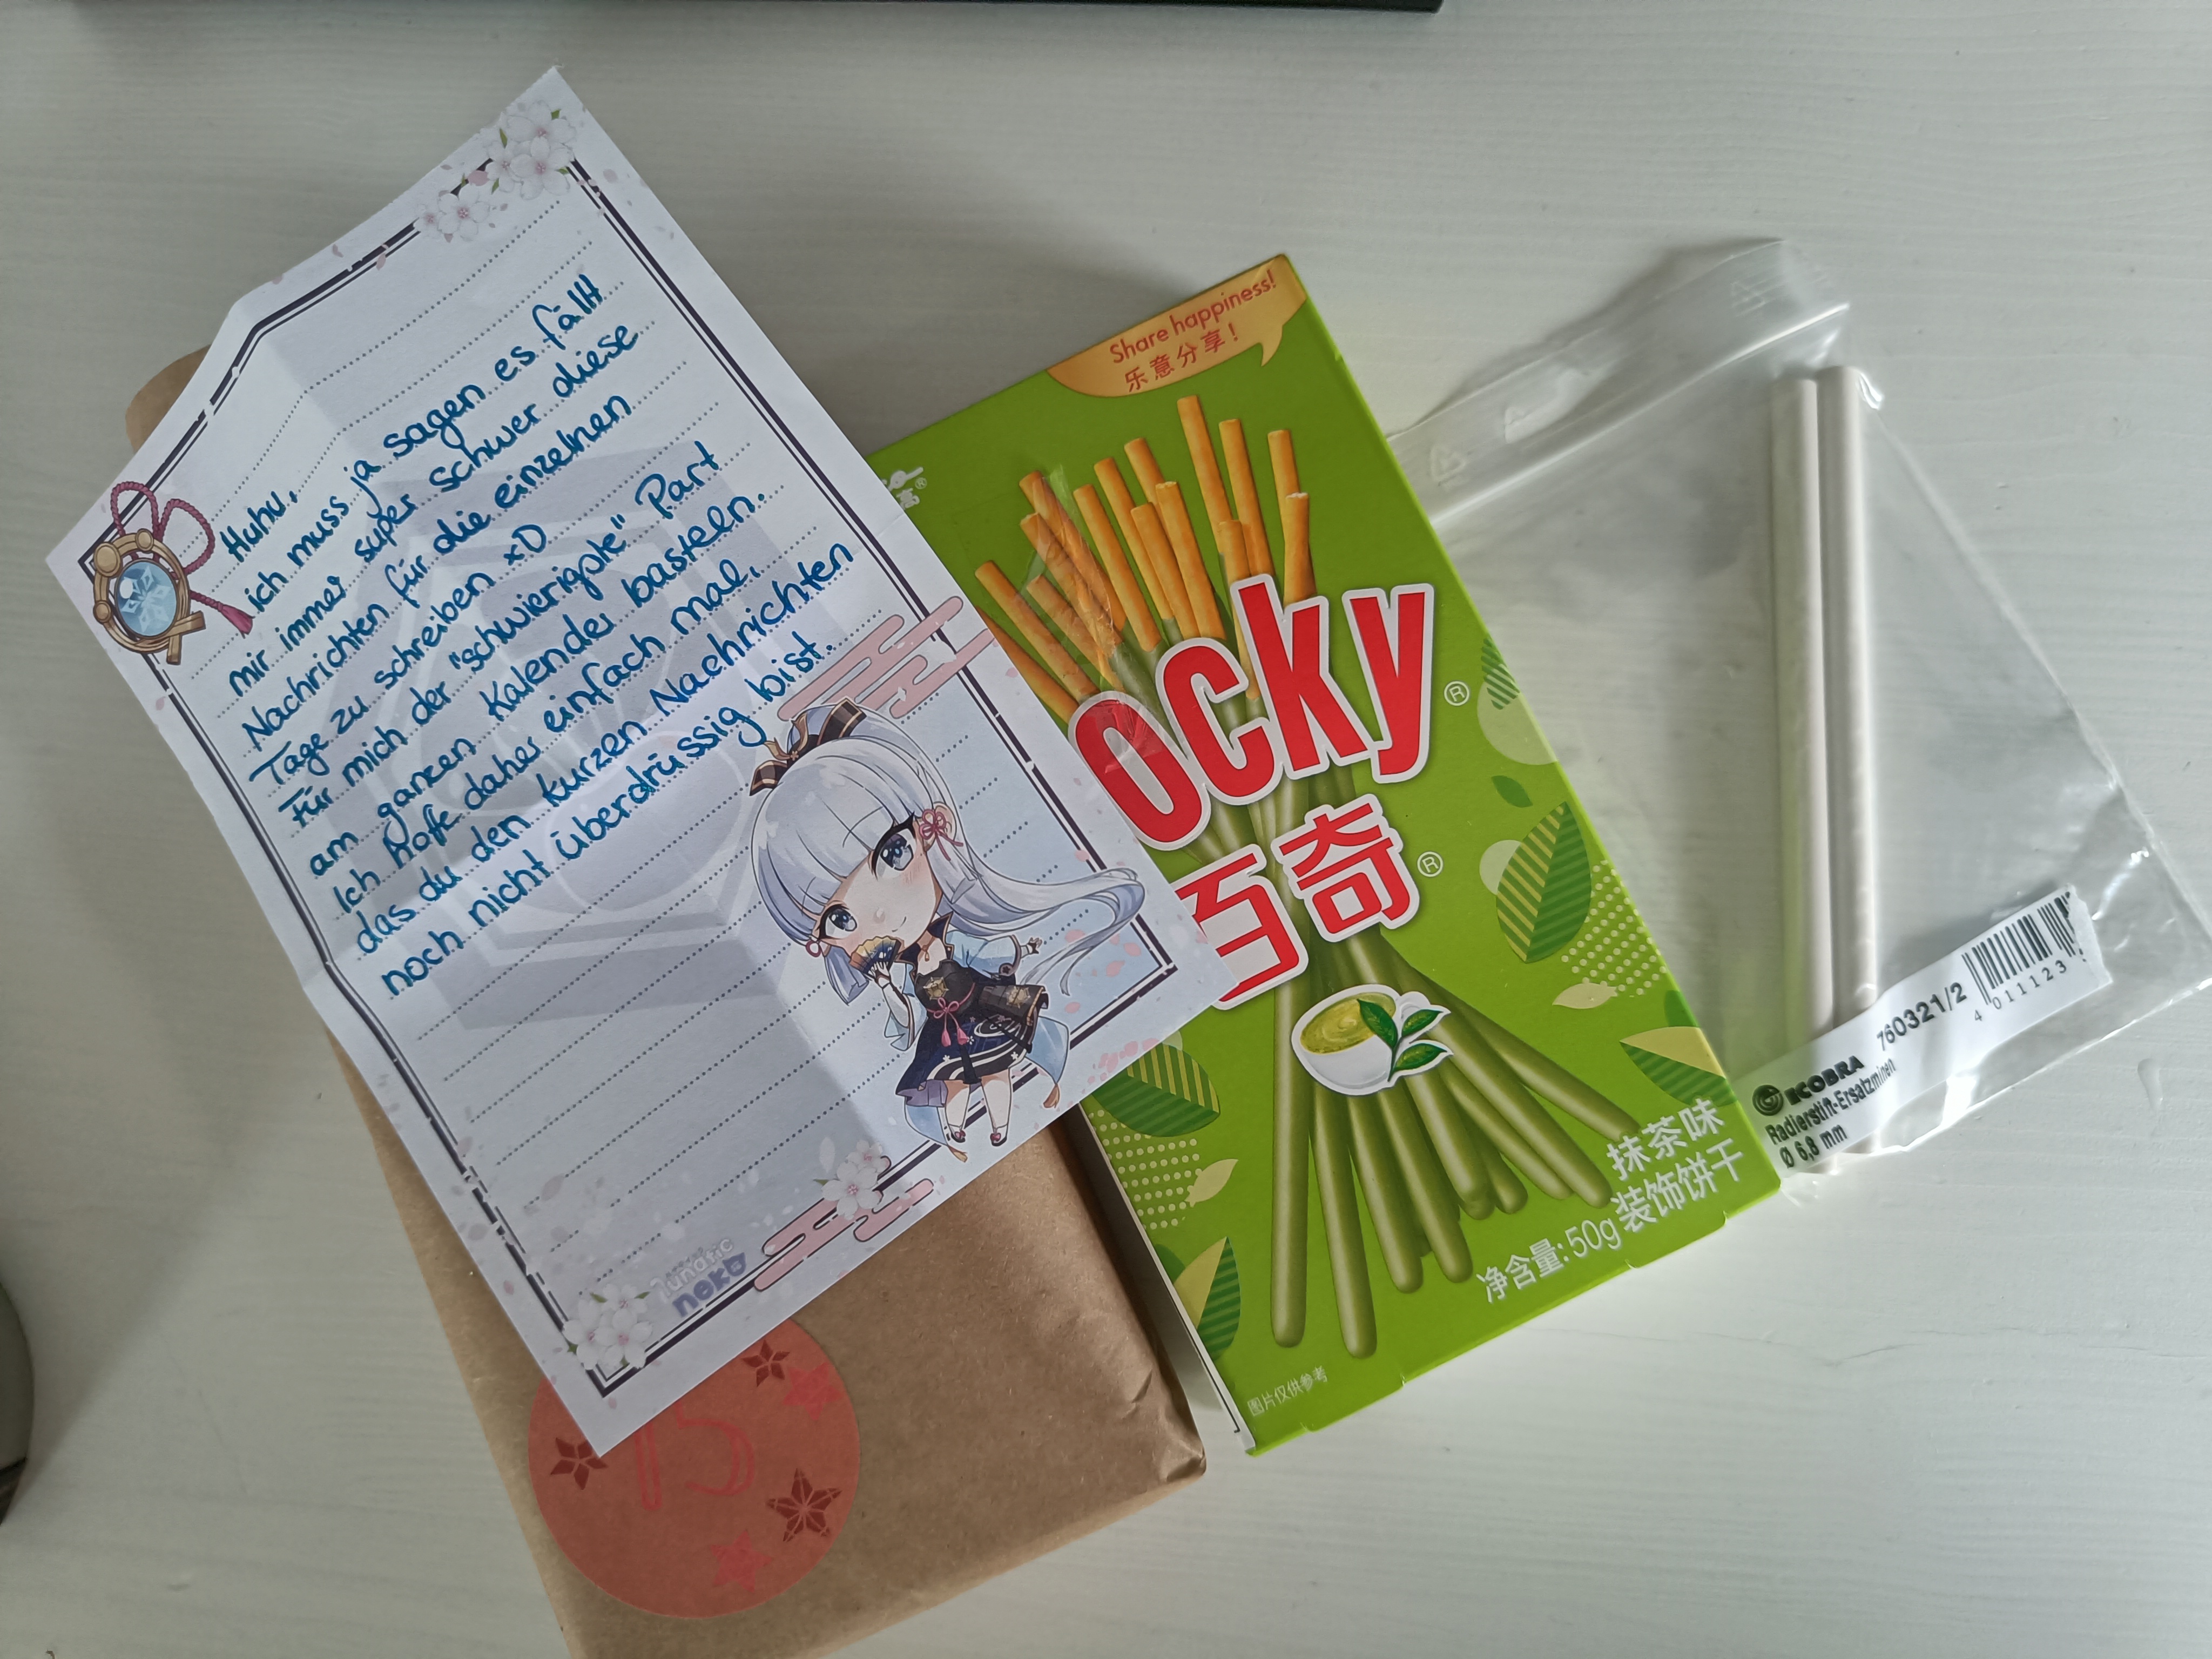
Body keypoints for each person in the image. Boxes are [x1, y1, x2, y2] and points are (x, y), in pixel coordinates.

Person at [750, 700, 1145, 1152]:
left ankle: (1000, 1125)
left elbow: (991, 954)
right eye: (839, 919)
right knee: (951, 1081)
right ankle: (957, 1131)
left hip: (981, 1011)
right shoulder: (899, 970)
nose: (879, 915)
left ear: (930, 828)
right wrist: (886, 986)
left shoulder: (954, 937)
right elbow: (903, 1021)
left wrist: (1022, 950)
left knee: (995, 1069)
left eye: (894, 853)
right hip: (943, 1031)